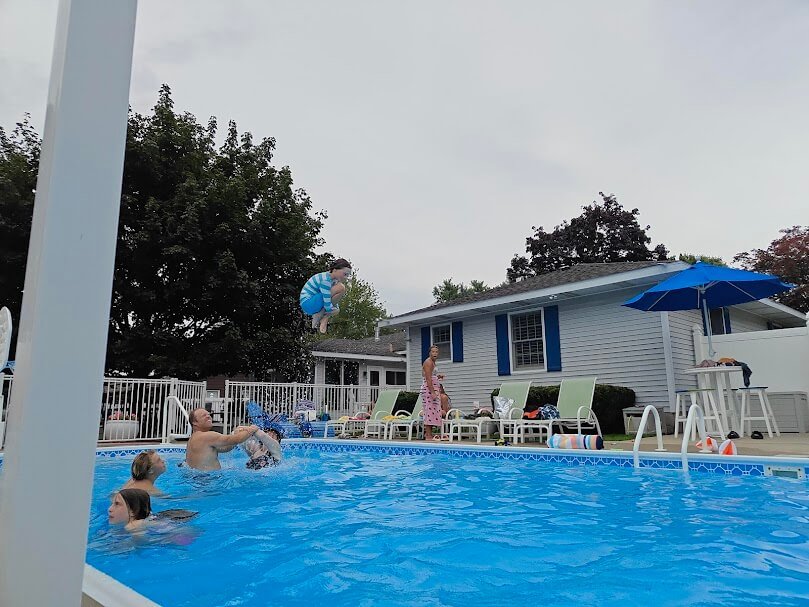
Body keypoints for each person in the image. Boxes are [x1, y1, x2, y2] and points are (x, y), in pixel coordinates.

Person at [184, 408, 260, 471]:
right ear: (194, 422)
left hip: (199, 479)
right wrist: (252, 429)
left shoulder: (194, 438)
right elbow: (238, 439)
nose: (208, 416)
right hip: (208, 481)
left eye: (208, 414)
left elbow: (225, 448)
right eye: (204, 415)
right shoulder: (206, 436)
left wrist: (234, 434)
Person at [299, 258, 352, 334]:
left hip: (313, 304)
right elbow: (326, 298)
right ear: (335, 270)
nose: (346, 277)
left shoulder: (333, 280)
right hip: (308, 303)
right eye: (345, 274)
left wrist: (334, 309)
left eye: (347, 275)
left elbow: (331, 298)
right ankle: (321, 315)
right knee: (341, 287)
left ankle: (323, 316)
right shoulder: (325, 279)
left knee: (337, 310)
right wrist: (329, 310)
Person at [108, 489, 197, 532]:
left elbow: (190, 534)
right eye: (112, 504)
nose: (110, 509)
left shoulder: (147, 524)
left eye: (117, 504)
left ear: (132, 511)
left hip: (181, 518)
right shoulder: (126, 526)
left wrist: (139, 533)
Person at [421, 345, 447, 441]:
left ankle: (430, 434)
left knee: (433, 412)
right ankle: (428, 435)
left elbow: (431, 375)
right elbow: (427, 378)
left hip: (433, 389)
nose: (435, 353)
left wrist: (438, 376)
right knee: (429, 411)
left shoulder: (433, 363)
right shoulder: (428, 362)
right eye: (433, 352)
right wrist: (432, 392)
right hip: (429, 390)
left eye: (436, 352)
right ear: (429, 353)